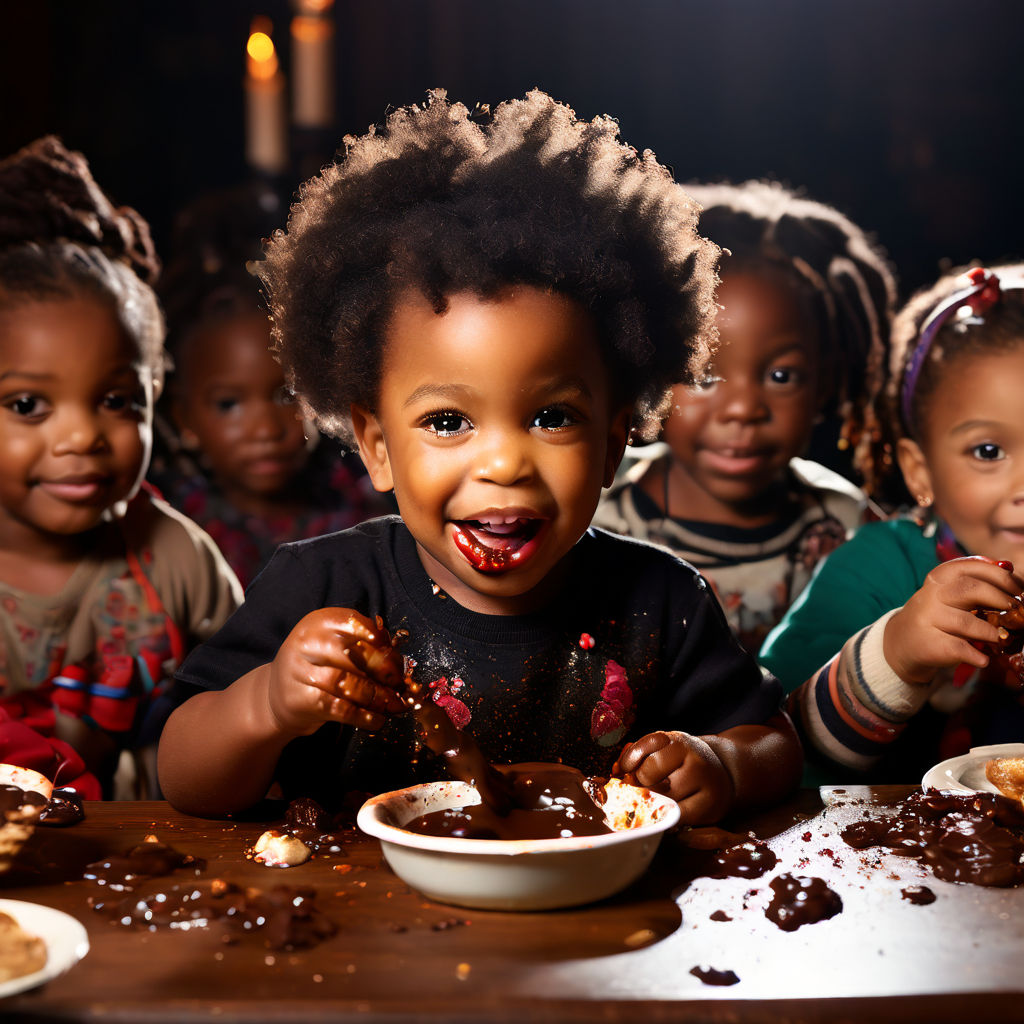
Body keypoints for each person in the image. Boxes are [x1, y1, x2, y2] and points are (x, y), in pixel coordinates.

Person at [157, 91, 802, 821]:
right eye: (448, 420)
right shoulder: (323, 586)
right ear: (377, 447)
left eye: (550, 416)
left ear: (614, 441)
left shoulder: (662, 602)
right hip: (357, 924)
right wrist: (267, 703)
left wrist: (722, 762)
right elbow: (183, 775)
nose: (503, 464)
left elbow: (775, 744)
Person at [0, 137, 243, 797]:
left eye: (115, 400)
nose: (81, 436)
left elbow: (255, 704)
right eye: (28, 405)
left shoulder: (177, 559)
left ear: (153, 397)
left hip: (143, 861)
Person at [593, 180, 897, 654]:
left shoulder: (852, 529)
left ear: (826, 378)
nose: (742, 409)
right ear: (647, 366)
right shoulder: (593, 511)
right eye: (703, 375)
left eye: (781, 375)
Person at [760, 262, 1024, 781]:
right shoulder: (874, 571)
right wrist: (897, 654)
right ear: (920, 470)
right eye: (988, 450)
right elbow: (776, 748)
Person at [150, 182, 389, 590]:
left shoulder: (365, 516)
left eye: (287, 395)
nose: (266, 429)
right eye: (229, 404)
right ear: (184, 416)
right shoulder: (171, 535)